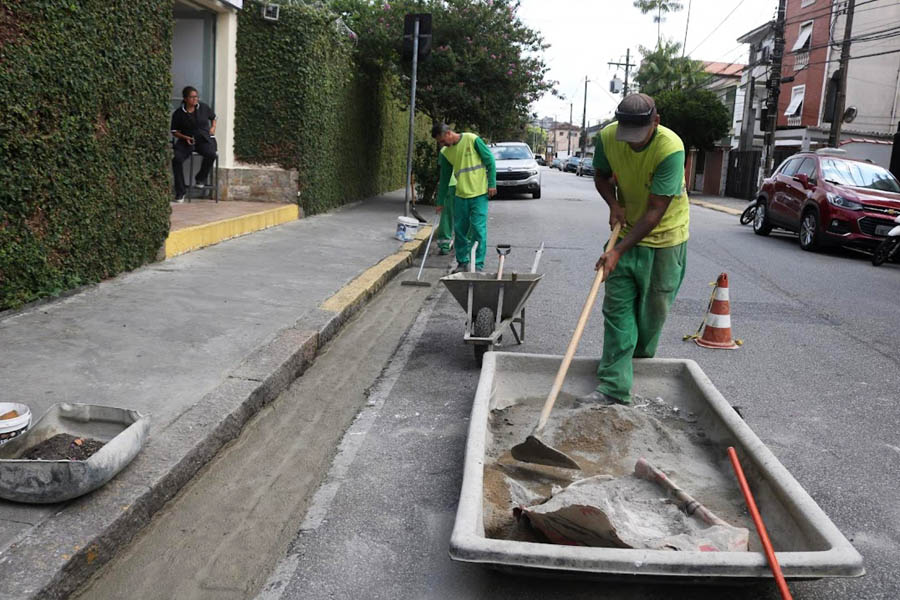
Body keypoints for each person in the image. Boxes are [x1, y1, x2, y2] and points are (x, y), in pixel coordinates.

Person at [581, 93, 690, 406]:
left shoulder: (671, 148)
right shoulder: (607, 137)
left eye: (637, 136)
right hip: (627, 234)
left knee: (650, 318)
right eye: (625, 135)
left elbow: (655, 213)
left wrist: (616, 251)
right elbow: (601, 175)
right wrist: (614, 204)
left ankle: (637, 369)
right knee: (617, 313)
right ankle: (614, 387)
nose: (630, 143)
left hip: (667, 240)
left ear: (655, 122)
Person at [433, 123, 497, 272]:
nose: (442, 144)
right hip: (460, 195)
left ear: (449, 133)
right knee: (460, 231)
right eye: (439, 142)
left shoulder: (471, 139)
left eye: (442, 140)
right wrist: (440, 201)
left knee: (478, 229)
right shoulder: (446, 152)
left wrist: (492, 183)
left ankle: (478, 265)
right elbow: (444, 179)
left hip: (479, 194)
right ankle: (462, 263)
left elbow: (490, 161)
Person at [170, 86, 217, 202]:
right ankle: (180, 193)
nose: (195, 99)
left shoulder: (203, 108)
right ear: (185, 99)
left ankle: (200, 179)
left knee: (211, 154)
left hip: (204, 140)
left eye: (196, 97)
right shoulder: (179, 113)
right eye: (192, 97)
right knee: (176, 160)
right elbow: (174, 131)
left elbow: (214, 117)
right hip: (187, 141)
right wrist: (184, 137)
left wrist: (213, 127)